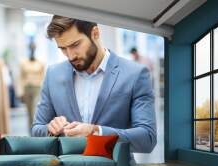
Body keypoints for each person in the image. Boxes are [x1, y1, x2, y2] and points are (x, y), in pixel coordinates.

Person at [31, 15, 156, 153]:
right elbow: (37, 130)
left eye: (75, 45)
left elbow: (147, 138)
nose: (70, 56)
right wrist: (51, 129)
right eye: (63, 48)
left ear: (95, 33)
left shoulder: (135, 74)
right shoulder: (53, 74)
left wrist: (96, 132)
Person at [20, 42, 45, 128]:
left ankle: (36, 128)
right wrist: (20, 91)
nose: (32, 50)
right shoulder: (24, 63)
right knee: (29, 111)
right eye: (31, 48)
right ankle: (30, 129)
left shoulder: (40, 63)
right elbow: (21, 77)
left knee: (35, 110)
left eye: (33, 48)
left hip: (37, 88)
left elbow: (43, 77)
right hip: (27, 88)